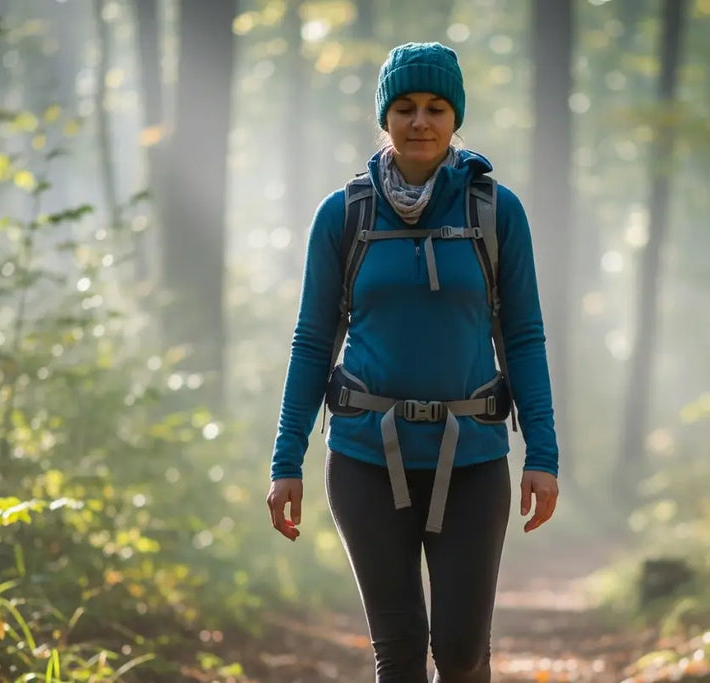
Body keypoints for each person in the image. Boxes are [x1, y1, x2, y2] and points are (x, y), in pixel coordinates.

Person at [266, 41, 560, 683]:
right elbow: (312, 342)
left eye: (435, 107)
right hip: (366, 459)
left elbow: (525, 336)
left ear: (456, 118)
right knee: (397, 655)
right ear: (385, 118)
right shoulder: (343, 215)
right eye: (404, 108)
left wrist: (542, 452)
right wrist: (286, 459)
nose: (420, 121)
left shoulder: (495, 211)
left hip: (474, 460)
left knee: (459, 654)